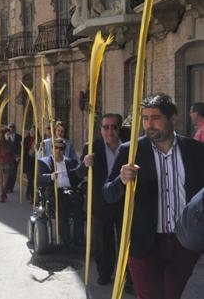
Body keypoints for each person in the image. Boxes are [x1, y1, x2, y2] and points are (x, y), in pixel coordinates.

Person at [104, 93, 204, 299]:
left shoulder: (195, 151)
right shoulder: (130, 152)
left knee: (171, 295)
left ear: (173, 119)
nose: (149, 124)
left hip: (184, 244)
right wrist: (121, 180)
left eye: (156, 118)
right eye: (145, 118)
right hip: (144, 244)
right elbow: (108, 194)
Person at [76, 113, 124, 285]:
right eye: (106, 127)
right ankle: (105, 273)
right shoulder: (92, 147)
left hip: (123, 201)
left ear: (119, 128)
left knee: (125, 240)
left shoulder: (128, 147)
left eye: (114, 127)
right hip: (100, 202)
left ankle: (127, 277)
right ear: (101, 129)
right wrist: (85, 164)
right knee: (102, 242)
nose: (110, 130)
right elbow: (78, 173)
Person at [39, 137, 84, 246]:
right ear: (52, 148)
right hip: (55, 192)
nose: (58, 150)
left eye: (61, 148)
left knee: (80, 205)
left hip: (71, 191)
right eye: (56, 148)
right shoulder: (45, 162)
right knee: (62, 205)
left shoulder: (71, 162)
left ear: (64, 149)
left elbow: (78, 175)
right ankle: (66, 238)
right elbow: (41, 177)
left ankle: (78, 238)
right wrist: (51, 176)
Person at [0, 128, 17, 203]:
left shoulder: (11, 142)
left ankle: (3, 193)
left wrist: (12, 142)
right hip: (0, 163)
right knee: (0, 180)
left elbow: (13, 151)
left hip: (8, 163)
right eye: (7, 134)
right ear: (4, 134)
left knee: (6, 180)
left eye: (9, 134)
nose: (8, 135)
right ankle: (3, 194)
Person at [5, 122, 22, 193]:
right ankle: (6, 187)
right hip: (8, 157)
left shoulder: (19, 137)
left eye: (13, 127)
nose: (11, 128)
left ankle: (11, 187)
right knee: (8, 173)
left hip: (16, 157)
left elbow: (20, 147)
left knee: (14, 173)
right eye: (10, 127)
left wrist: (19, 156)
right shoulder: (6, 136)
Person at [23, 126, 37, 201]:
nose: (32, 132)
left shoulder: (38, 140)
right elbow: (24, 151)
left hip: (35, 162)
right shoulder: (26, 139)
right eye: (31, 131)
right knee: (30, 179)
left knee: (32, 179)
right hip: (28, 162)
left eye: (33, 131)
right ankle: (32, 195)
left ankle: (28, 193)